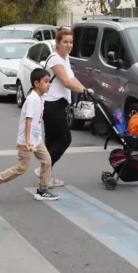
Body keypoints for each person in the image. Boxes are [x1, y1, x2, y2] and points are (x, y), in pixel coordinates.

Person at [0, 68, 59, 201]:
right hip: (26, 141)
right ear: (36, 83)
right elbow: (28, 121)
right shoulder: (32, 100)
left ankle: (42, 190)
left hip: (36, 139)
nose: (49, 84)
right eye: (46, 82)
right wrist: (28, 141)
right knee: (21, 168)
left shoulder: (40, 97)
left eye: (49, 81)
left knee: (47, 161)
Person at [36, 28, 93, 187]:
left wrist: (85, 89)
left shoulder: (65, 59)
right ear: (57, 43)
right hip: (51, 104)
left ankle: (47, 176)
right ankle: (43, 170)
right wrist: (82, 90)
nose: (69, 45)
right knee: (64, 138)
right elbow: (66, 82)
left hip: (59, 104)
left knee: (52, 142)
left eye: (71, 42)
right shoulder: (55, 60)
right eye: (65, 42)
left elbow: (72, 78)